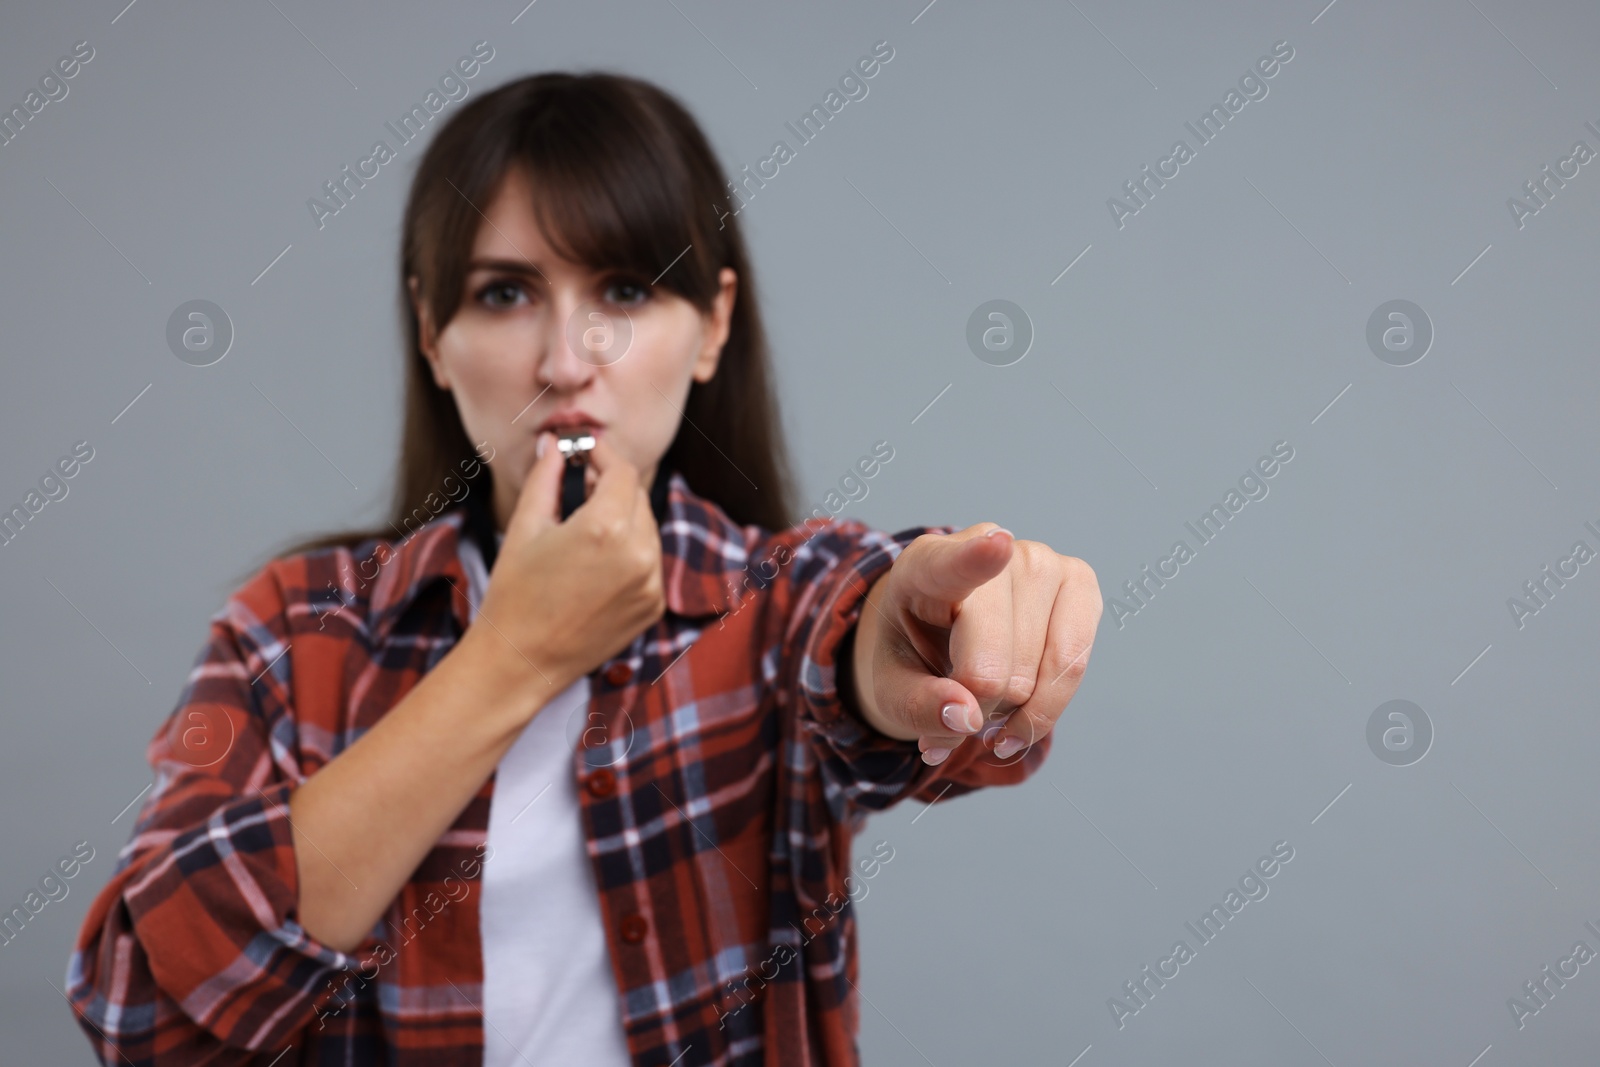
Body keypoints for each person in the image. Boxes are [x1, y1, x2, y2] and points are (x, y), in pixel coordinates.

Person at [65, 71, 1102, 1067]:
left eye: (623, 288)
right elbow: (146, 1016)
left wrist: (928, 634)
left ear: (713, 327)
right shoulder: (297, 628)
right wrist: (509, 657)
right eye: (506, 291)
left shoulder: (774, 597)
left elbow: (857, 627)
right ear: (433, 333)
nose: (566, 359)